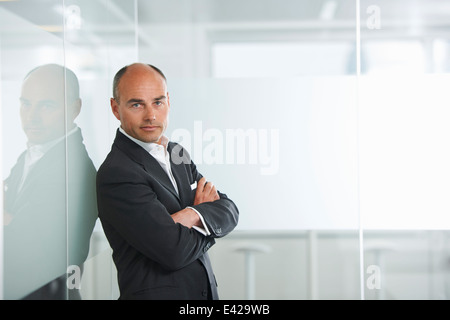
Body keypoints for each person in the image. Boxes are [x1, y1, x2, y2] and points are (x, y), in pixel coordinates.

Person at [96, 63, 239, 300]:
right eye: (136, 104)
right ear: (115, 108)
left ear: (168, 102)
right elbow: (173, 251)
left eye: (157, 102)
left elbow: (229, 209)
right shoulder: (117, 173)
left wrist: (191, 214)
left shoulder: (177, 153)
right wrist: (205, 216)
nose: (150, 115)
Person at [3, 64, 98, 299]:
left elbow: (31, 248)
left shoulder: (74, 168)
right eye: (26, 104)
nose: (32, 116)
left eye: (46, 105)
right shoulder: (31, 154)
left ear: (75, 108)